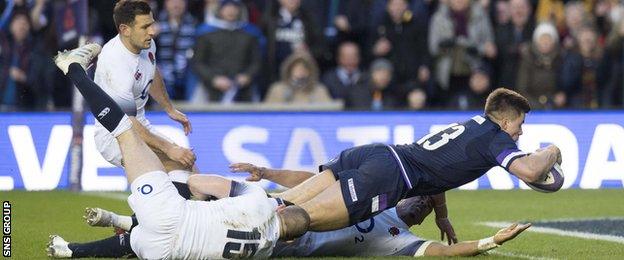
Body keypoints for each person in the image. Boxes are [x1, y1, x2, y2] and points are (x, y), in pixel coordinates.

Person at [49, 42, 310, 259]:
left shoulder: (257, 198)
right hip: (164, 253)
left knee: (124, 129)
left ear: (280, 210)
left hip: (169, 214)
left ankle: (73, 68)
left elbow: (198, 182)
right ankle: (73, 249)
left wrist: (204, 198)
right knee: (140, 238)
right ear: (285, 243)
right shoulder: (262, 254)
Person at [47, 162, 531, 258]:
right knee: (209, 186)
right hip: (275, 207)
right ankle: (139, 204)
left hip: (274, 242)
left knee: (175, 242)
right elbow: (315, 180)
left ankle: (102, 237)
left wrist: (486, 243)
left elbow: (440, 255)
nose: (422, 203)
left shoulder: (394, 241)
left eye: (424, 206)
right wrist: (269, 172)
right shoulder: (379, 191)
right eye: (423, 197)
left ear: (416, 216)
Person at [271, 87, 561, 238]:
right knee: (301, 219)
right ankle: (247, 236)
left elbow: (438, 169)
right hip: (387, 177)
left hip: (376, 155)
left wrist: (442, 215)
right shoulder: (495, 138)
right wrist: (553, 150)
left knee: (278, 203)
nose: (520, 132)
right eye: (519, 125)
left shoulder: (473, 125)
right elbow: (530, 171)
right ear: (506, 119)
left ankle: (234, 205)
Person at [92, 0, 196, 183]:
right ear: (125, 29)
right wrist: (169, 149)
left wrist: (169, 108)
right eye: (145, 26)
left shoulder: (146, 44)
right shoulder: (115, 62)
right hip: (116, 134)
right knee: (174, 169)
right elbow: (126, 122)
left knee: (190, 169)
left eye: (152, 23)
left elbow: (152, 72)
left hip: (138, 124)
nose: (153, 31)